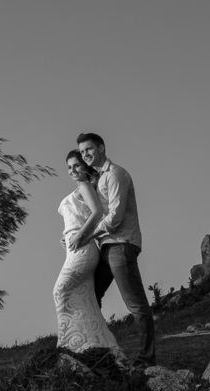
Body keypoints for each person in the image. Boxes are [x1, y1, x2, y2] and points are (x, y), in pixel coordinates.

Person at [78, 132, 155, 368]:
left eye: (89, 149)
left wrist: (89, 234)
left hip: (121, 244)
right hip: (106, 246)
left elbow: (116, 217)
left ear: (101, 148)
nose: (86, 154)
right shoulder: (97, 179)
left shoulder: (116, 174)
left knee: (135, 304)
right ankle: (101, 349)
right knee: (91, 296)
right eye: (82, 152)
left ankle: (147, 359)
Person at [53, 149, 124, 359]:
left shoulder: (84, 186)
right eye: (69, 167)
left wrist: (77, 236)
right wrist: (66, 236)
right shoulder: (82, 188)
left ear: (85, 166)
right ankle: (90, 345)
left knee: (60, 290)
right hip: (74, 248)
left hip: (83, 248)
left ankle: (70, 342)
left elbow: (97, 214)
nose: (72, 170)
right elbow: (77, 218)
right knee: (82, 298)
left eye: (76, 165)